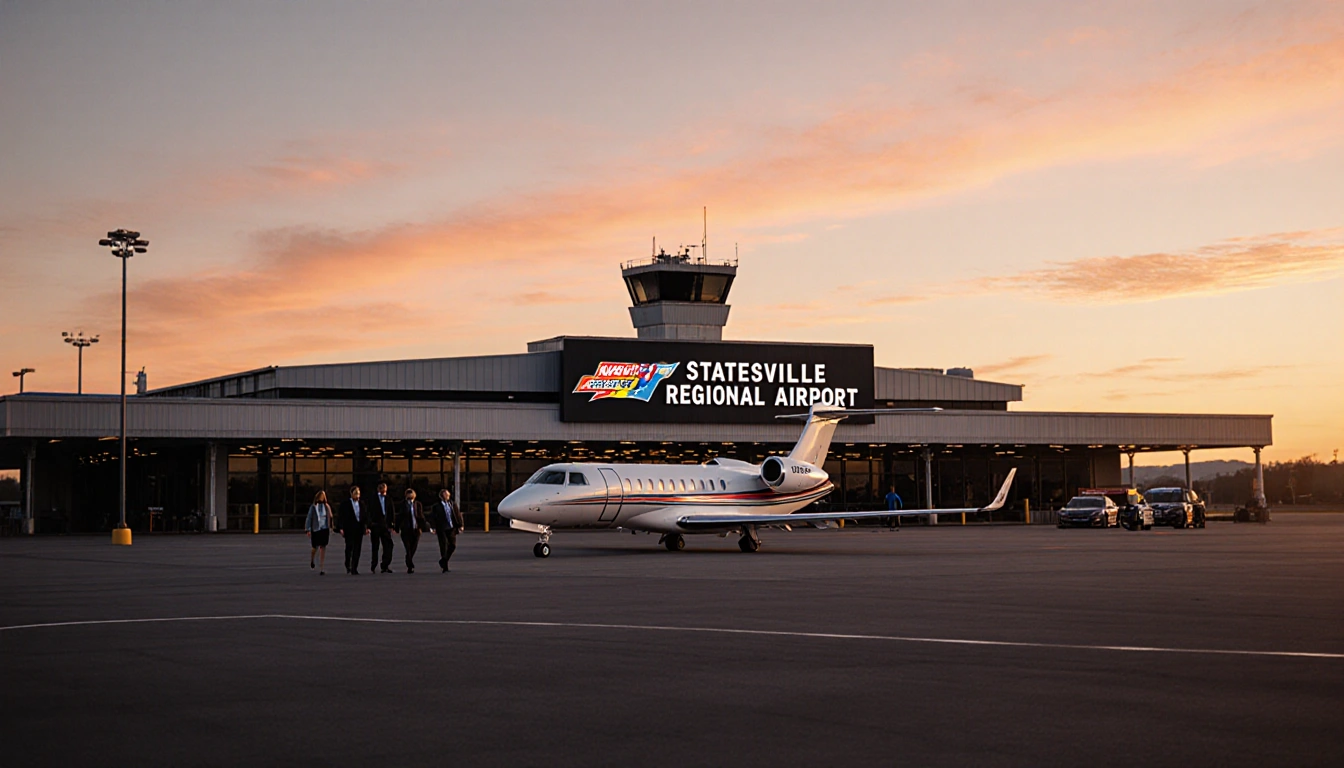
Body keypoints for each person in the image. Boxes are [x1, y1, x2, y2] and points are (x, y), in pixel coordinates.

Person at [428, 488, 464, 573]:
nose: (448, 496)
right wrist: (433, 527)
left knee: (452, 545)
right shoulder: (436, 506)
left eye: (448, 495)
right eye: (446, 495)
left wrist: (460, 525)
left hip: (451, 527)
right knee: (443, 546)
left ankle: (443, 560)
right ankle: (445, 567)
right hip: (442, 528)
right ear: (441, 496)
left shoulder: (452, 504)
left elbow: (458, 514)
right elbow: (432, 517)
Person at [337, 485, 368, 575]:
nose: (357, 495)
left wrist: (366, 527)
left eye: (358, 493)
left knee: (357, 548)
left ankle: (354, 567)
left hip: (359, 528)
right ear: (351, 494)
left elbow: (365, 516)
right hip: (349, 528)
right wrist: (341, 528)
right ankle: (348, 564)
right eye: (355, 493)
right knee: (349, 547)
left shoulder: (362, 504)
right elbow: (341, 516)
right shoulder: (345, 504)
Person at [396, 488, 427, 573]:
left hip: (416, 529)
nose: (410, 497)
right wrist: (396, 527)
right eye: (408, 495)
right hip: (406, 529)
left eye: (411, 495)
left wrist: (424, 526)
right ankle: (410, 565)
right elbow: (399, 516)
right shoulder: (402, 505)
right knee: (408, 547)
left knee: (414, 546)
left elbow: (420, 516)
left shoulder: (417, 504)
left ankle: (408, 558)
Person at [368, 482, 395, 574]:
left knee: (388, 545)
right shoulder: (372, 499)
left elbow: (391, 511)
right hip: (375, 525)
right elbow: (369, 512)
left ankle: (385, 565)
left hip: (385, 526)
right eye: (382, 489)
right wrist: (369, 525)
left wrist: (392, 525)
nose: (384, 491)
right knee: (375, 546)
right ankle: (374, 565)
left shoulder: (388, 499)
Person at [305, 490, 333, 575]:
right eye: (321, 496)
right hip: (316, 529)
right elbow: (309, 518)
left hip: (324, 529)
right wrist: (308, 529)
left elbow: (330, 516)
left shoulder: (326, 506)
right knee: (315, 547)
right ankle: (312, 559)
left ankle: (322, 567)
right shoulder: (313, 507)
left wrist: (331, 526)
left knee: (323, 547)